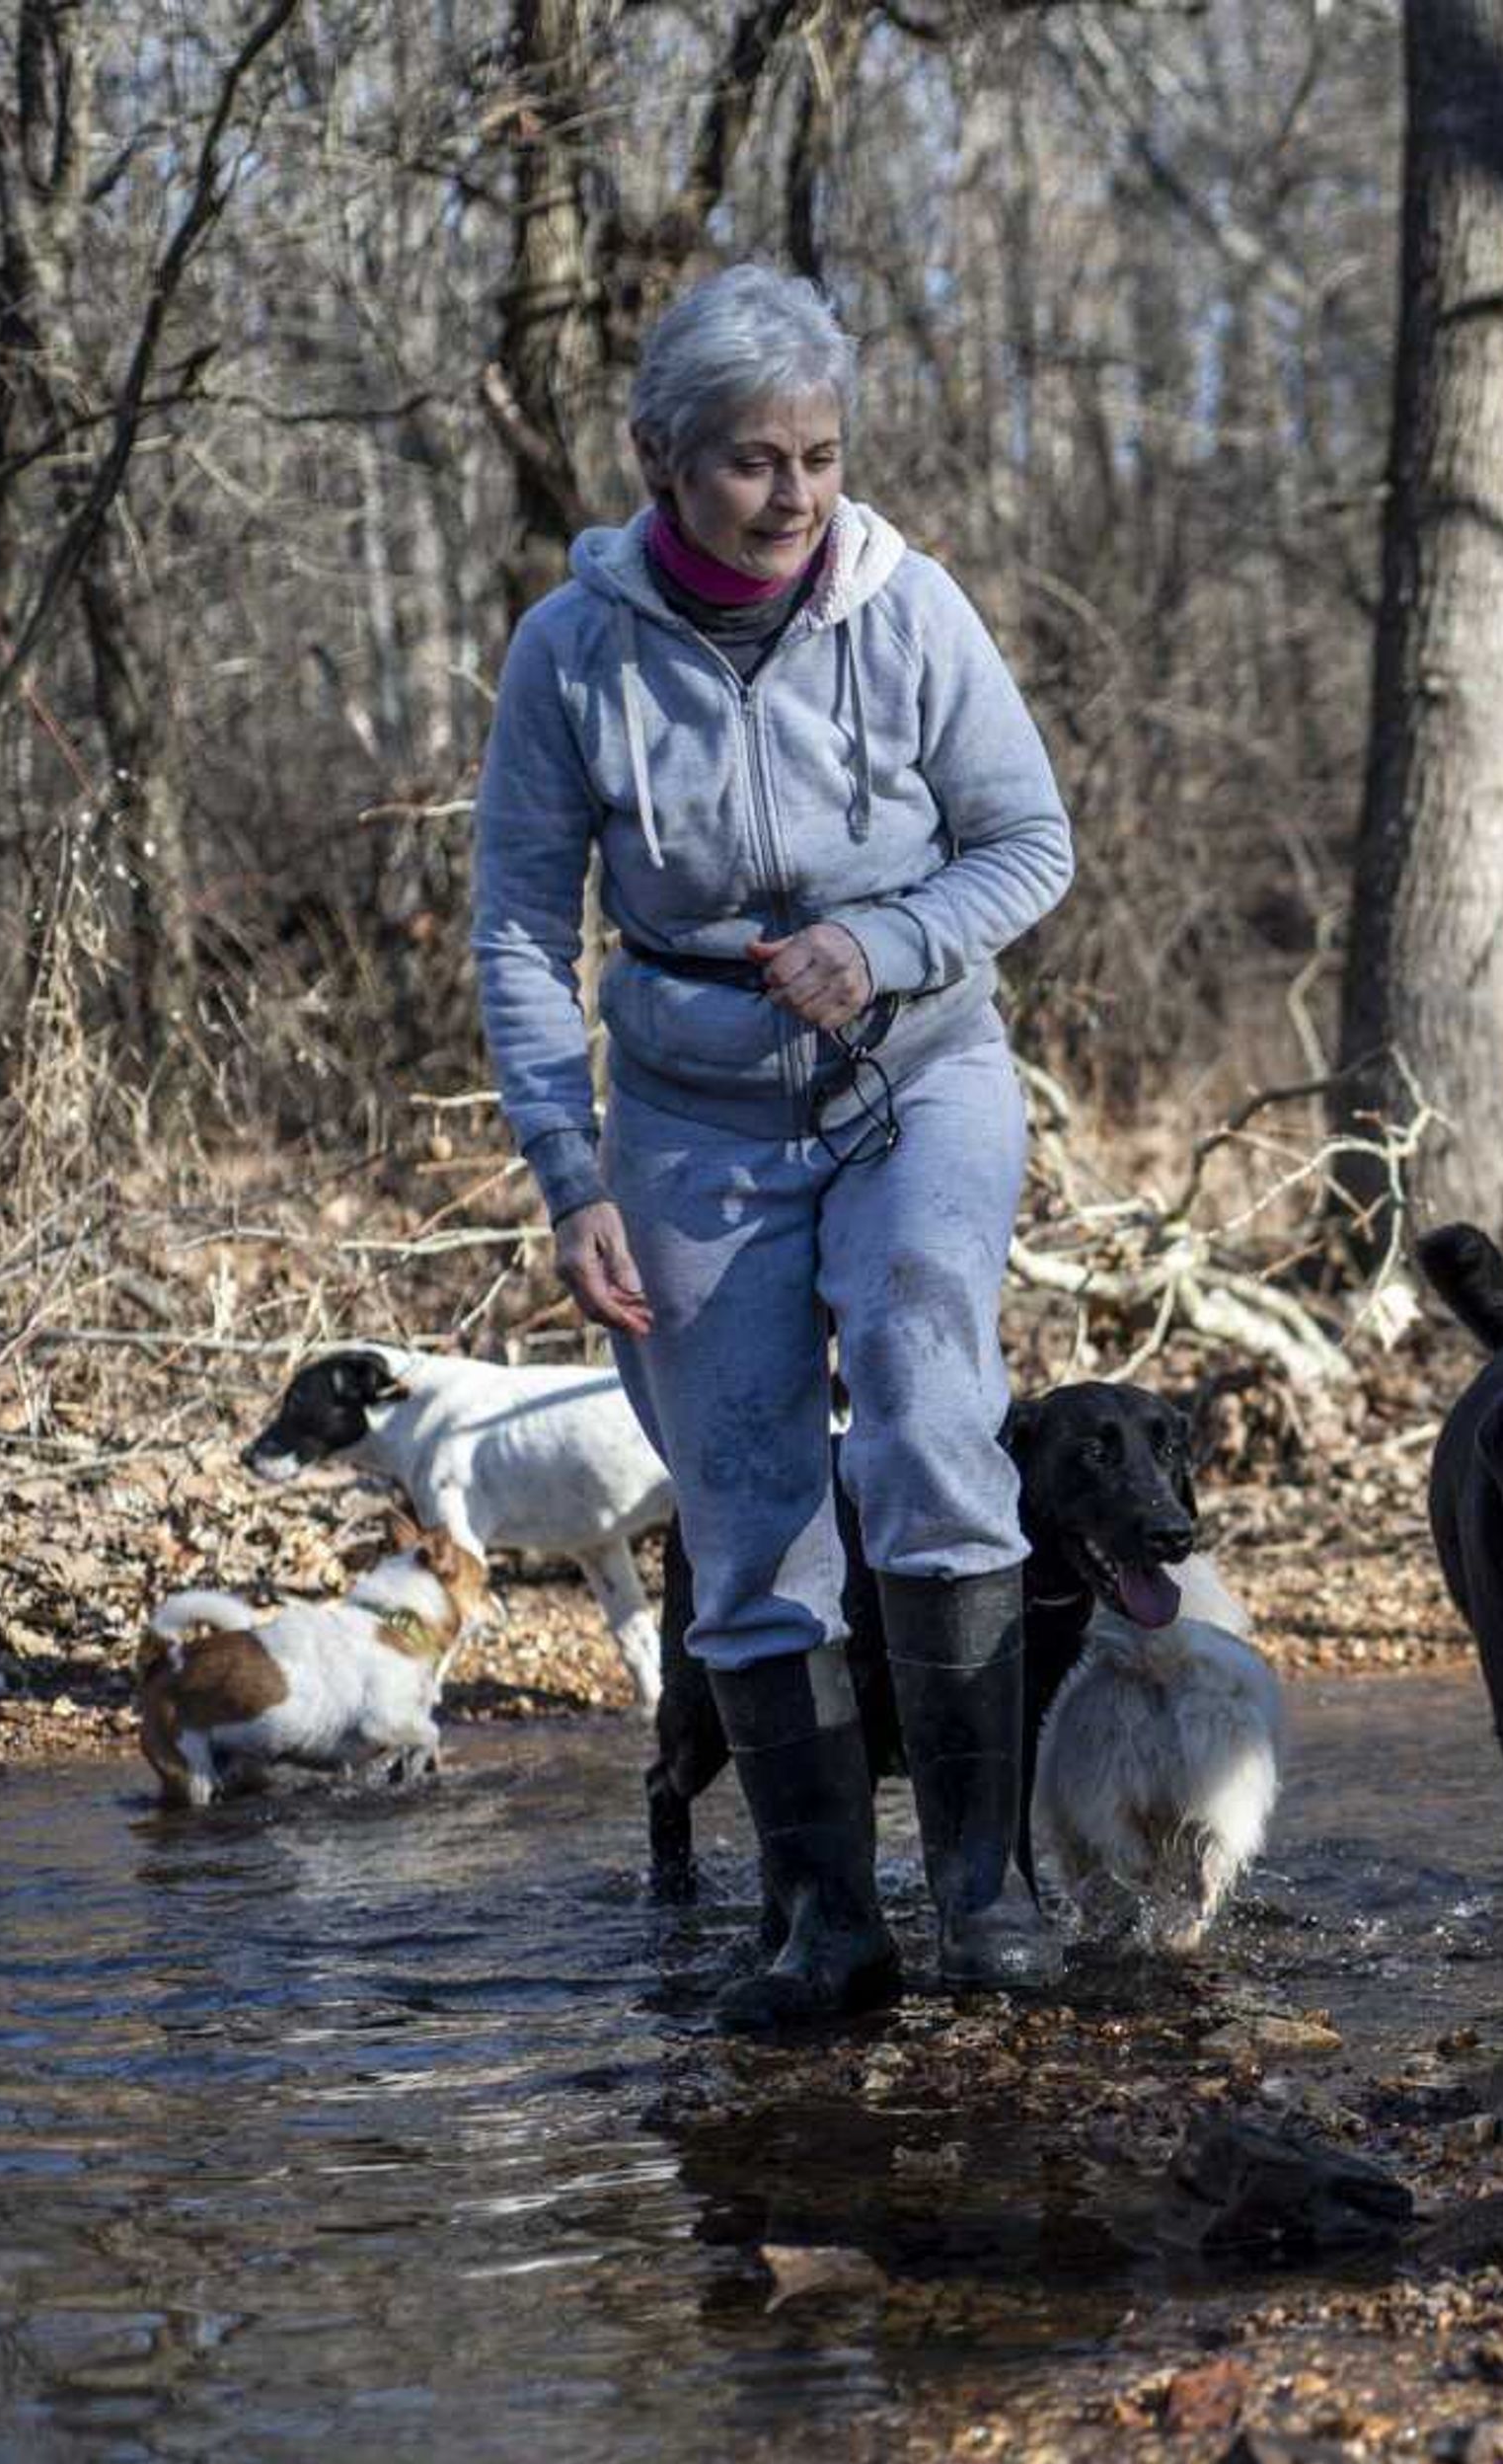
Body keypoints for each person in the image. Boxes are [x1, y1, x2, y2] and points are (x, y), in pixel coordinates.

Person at [472, 265, 1071, 2029]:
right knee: (740, 1505)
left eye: (818, 455)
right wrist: (567, 1171)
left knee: (921, 1389)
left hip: (918, 1079)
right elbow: (518, 926)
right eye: (752, 460)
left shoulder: (912, 611)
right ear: (662, 459)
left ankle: (986, 1886)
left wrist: (880, 944)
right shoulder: (570, 650)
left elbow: (1027, 844)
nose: (794, 494)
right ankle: (825, 1917)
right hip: (684, 1118)